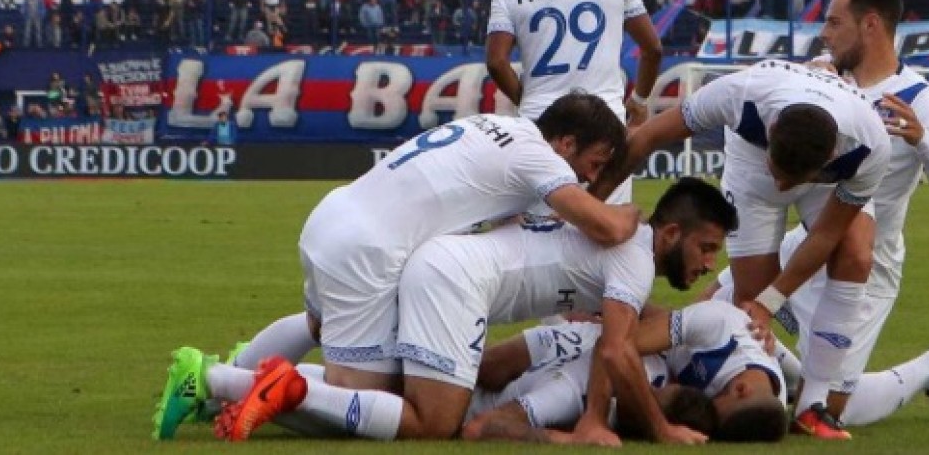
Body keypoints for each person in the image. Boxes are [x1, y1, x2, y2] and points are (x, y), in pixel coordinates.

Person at [152, 92, 640, 440]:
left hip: (335, 216)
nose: (590, 177)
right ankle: (217, 379)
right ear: (566, 143)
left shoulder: (496, 125)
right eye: (596, 163)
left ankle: (217, 389)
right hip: (368, 252)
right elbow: (606, 227)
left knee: (318, 327)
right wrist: (633, 217)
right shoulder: (539, 158)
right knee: (367, 401)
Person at [202, 178, 732, 444]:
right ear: (670, 233)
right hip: (457, 284)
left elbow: (619, 334)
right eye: (707, 248)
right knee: (434, 424)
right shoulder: (633, 260)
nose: (710, 263)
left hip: (442, 263)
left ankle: (215, 380)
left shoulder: (620, 241)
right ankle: (284, 387)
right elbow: (616, 350)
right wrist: (662, 432)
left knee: (387, 394)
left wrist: (594, 416)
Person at [710, 0, 929, 429]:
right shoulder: (821, 77)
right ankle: (792, 376)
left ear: (870, 25)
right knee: (720, 312)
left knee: (833, 408)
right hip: (808, 243)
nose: (824, 34)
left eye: (834, 23)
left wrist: (923, 139)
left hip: (866, 265)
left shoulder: (921, 99)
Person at [594, 57, 891, 438]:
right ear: (772, 130)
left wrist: (773, 302)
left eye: (791, 180)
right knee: (749, 303)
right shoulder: (743, 92)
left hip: (826, 181)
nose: (782, 186)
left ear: (831, 156)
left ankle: (813, 406)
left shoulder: (870, 145)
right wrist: (590, 206)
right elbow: (646, 137)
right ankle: (720, 355)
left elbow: (825, 235)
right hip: (751, 167)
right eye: (779, 173)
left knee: (856, 256)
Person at [486, 0, 662, 206]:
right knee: (606, 227)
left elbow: (496, 61)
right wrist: (639, 100)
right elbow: (653, 48)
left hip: (542, 125)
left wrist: (525, 99)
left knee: (539, 227)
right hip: (605, 124)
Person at [464, 301, 787, 443]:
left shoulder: (764, 408)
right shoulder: (723, 326)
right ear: (741, 389)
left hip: (598, 356)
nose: (711, 409)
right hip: (592, 346)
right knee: (488, 367)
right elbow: (616, 343)